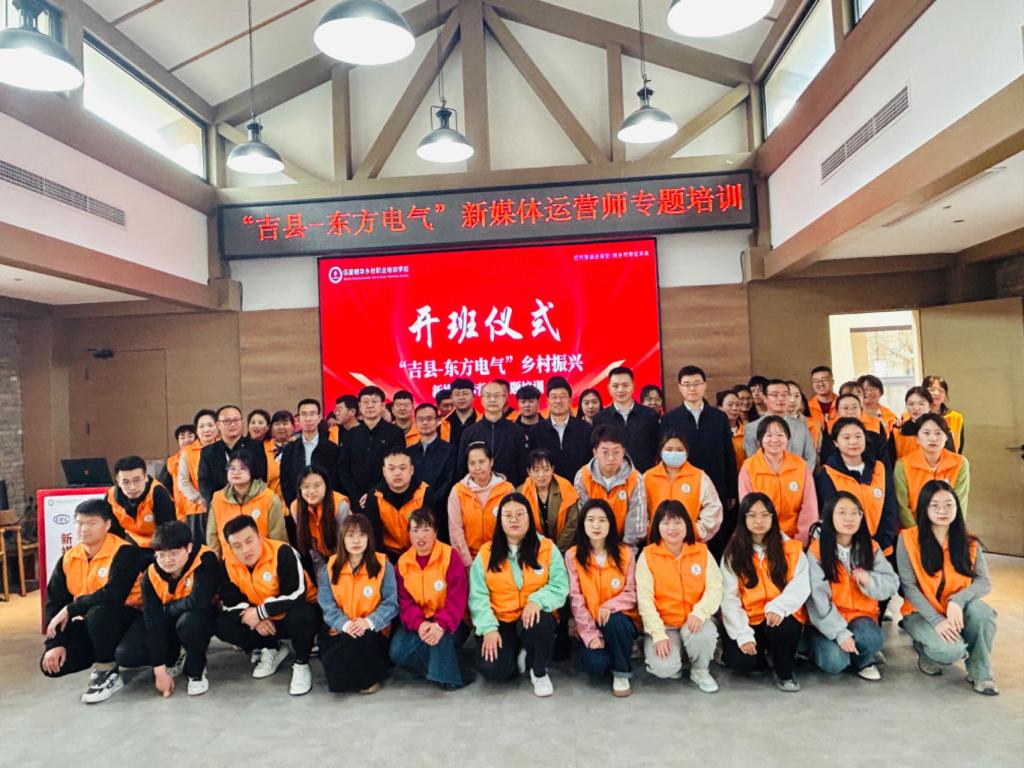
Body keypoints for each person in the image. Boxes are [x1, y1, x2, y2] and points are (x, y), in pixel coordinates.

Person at [40, 499, 145, 703]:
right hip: (94, 623)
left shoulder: (124, 552)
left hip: (130, 618)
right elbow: (54, 602)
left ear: (107, 524)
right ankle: (100, 653)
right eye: (79, 523)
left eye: (92, 523)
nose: (84, 529)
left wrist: (71, 608)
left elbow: (113, 595)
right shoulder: (69, 558)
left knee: (102, 614)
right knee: (53, 665)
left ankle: (106, 669)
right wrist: (55, 643)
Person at [898, 480, 997, 695]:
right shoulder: (908, 539)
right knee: (950, 651)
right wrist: (936, 620)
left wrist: (957, 601)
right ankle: (926, 650)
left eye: (948, 505)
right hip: (920, 613)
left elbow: (984, 582)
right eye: (934, 505)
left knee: (982, 613)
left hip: (956, 609)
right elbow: (908, 587)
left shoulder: (968, 541)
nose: (942, 511)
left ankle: (981, 673)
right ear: (924, 508)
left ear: (957, 507)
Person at [469, 493, 569, 696]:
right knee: (495, 670)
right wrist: (488, 628)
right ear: (500, 521)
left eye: (520, 514)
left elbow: (560, 585)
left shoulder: (546, 548)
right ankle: (518, 652)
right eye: (508, 515)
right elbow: (478, 595)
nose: (514, 520)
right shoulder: (487, 553)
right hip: (501, 618)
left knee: (541, 622)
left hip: (533, 616)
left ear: (529, 517)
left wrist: (537, 601)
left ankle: (538, 671)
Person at [214, 515, 320, 696]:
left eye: (249, 541)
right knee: (221, 623)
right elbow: (229, 602)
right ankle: (272, 648)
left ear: (259, 537)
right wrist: (253, 618)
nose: (245, 549)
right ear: (230, 548)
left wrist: (260, 612)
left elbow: (296, 594)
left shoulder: (282, 552)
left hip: (293, 615)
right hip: (262, 622)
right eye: (237, 546)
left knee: (302, 614)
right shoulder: (227, 563)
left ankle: (301, 664)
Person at [721, 493, 810, 692]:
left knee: (781, 629)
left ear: (773, 517)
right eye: (752, 515)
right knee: (741, 661)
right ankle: (764, 657)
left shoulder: (791, 549)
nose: (758, 521)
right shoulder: (733, 554)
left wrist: (778, 607)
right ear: (743, 518)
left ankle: (784, 671)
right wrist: (742, 633)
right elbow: (729, 599)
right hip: (750, 618)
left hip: (782, 616)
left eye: (764, 515)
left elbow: (801, 586)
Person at [806, 493, 898, 681]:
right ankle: (815, 648)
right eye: (842, 512)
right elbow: (817, 601)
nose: (849, 518)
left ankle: (862, 660)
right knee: (835, 662)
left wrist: (869, 580)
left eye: (855, 513)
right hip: (827, 622)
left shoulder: (871, 547)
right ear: (829, 516)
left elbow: (892, 583)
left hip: (861, 618)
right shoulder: (817, 551)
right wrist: (840, 632)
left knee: (873, 638)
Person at [636, 500, 722, 692]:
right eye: (666, 523)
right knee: (664, 668)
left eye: (677, 522)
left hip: (694, 621)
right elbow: (645, 600)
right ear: (657, 526)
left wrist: (700, 613)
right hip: (665, 625)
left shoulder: (702, 551)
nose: (672, 528)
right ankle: (676, 656)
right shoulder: (648, 555)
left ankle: (700, 670)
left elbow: (715, 588)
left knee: (704, 635)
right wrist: (658, 634)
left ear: (687, 525)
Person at [564, 499, 639, 696]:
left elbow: (631, 592)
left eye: (602, 520)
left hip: (620, 620)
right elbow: (576, 599)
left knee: (615, 622)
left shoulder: (626, 553)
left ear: (611, 524)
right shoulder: (573, 555)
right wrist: (590, 634)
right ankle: (617, 651)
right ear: (583, 524)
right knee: (596, 665)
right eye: (590, 520)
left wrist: (610, 606)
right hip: (590, 623)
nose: (596, 525)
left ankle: (621, 672)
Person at [390, 509, 471, 690]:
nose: (421, 536)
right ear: (409, 534)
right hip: (421, 622)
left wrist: (439, 625)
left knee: (440, 639)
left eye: (426, 530)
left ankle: (450, 678)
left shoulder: (450, 556)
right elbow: (405, 603)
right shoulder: (403, 563)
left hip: (451, 620)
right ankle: (445, 669)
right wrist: (420, 624)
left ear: (435, 532)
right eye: (415, 530)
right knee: (398, 652)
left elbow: (457, 598)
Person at [317, 513, 398, 694]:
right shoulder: (330, 567)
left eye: (362, 535)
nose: (356, 540)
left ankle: (369, 679)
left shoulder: (383, 565)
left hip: (373, 630)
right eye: (350, 535)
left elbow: (391, 603)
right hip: (340, 629)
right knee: (338, 660)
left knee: (360, 645)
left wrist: (368, 622)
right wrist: (345, 625)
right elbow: (327, 605)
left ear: (369, 538)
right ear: (342, 538)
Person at [659, 366, 737, 551]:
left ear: (704, 385)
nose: (692, 388)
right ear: (680, 387)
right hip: (683, 487)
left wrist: (731, 490)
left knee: (716, 540)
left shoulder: (719, 418)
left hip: (716, 484)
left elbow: (728, 454)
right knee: (686, 535)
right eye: (687, 384)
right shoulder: (670, 419)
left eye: (696, 384)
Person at [140, 521, 218, 697]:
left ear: (188, 548)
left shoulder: (205, 559)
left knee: (191, 621)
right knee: (129, 653)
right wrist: (159, 671)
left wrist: (166, 609)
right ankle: (174, 656)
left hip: (203, 616)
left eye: (174, 553)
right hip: (171, 621)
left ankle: (196, 671)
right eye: (161, 555)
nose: (167, 560)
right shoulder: (150, 576)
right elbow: (152, 620)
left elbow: (199, 601)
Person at [815, 418, 898, 562]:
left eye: (858, 436)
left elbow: (890, 508)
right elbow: (829, 515)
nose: (853, 442)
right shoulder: (826, 474)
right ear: (836, 442)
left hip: (882, 549)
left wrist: (881, 542)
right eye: (846, 438)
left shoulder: (879, 468)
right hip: (845, 551)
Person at [739, 417, 817, 544]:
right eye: (769, 435)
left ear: (787, 438)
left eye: (780, 435)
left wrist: (801, 540)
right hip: (761, 538)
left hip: (795, 538)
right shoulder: (749, 467)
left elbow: (809, 506)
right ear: (760, 439)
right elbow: (747, 508)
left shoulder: (800, 465)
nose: (775, 440)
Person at [643, 432, 723, 545]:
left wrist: (696, 531)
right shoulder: (648, 477)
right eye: (669, 449)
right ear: (661, 451)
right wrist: (649, 530)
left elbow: (714, 508)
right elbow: (639, 510)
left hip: (691, 545)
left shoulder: (699, 477)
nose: (674, 453)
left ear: (686, 452)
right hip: (655, 545)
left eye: (679, 450)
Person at [574, 425, 647, 547]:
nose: (611, 458)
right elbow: (580, 518)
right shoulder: (583, 476)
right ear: (595, 452)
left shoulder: (635, 478)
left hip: (625, 546)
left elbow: (637, 524)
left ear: (623, 452)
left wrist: (624, 550)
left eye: (616, 452)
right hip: (590, 545)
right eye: (605, 452)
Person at [894, 413, 970, 528]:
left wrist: (948, 532)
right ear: (917, 438)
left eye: (938, 433)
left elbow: (960, 503)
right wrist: (917, 532)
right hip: (913, 530)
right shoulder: (903, 465)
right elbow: (902, 506)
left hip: (948, 530)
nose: (933, 438)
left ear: (947, 437)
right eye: (926, 433)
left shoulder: (960, 463)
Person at [336, 385, 406, 508]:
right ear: (359, 406)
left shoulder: (395, 433)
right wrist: (355, 494)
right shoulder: (351, 435)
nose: (370, 406)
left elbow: (396, 466)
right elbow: (343, 467)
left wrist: (376, 492)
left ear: (383, 405)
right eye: (365, 402)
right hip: (357, 500)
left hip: (387, 497)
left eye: (374, 401)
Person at [207, 454, 287, 559]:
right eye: (232, 468)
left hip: (264, 560)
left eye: (242, 468)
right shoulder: (218, 499)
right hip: (230, 562)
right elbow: (212, 537)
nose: (236, 472)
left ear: (252, 470)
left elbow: (278, 537)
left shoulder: (269, 498)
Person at [448, 442, 515, 566]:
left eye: (481, 462)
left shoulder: (507, 489)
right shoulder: (458, 491)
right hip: (470, 559)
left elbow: (513, 527)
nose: (477, 467)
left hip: (502, 558)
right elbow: (456, 531)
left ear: (491, 462)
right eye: (472, 463)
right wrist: (468, 564)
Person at [457, 380, 528, 486]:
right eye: (488, 396)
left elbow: (523, 468)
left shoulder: (517, 431)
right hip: (476, 491)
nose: (492, 399)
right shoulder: (469, 432)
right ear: (482, 399)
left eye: (497, 396)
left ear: (504, 399)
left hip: (509, 490)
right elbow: (461, 468)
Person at [363, 448, 429, 561]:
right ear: (384, 472)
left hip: (418, 553)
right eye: (391, 468)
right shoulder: (375, 496)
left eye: (402, 468)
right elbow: (374, 537)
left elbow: (428, 532)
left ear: (412, 470)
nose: (397, 473)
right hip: (387, 555)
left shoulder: (424, 492)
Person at [198, 404, 268, 508]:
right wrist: (220, 500)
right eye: (227, 421)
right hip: (219, 505)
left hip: (250, 504)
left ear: (241, 422)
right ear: (218, 425)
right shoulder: (208, 451)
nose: (232, 424)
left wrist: (245, 500)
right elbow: (204, 481)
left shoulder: (255, 447)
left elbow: (260, 477)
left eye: (236, 420)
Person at [592, 366, 660, 472]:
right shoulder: (600, 418)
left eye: (625, 385)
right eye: (615, 386)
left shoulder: (650, 415)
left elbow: (657, 448)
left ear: (633, 386)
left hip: (645, 476)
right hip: (612, 477)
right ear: (608, 387)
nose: (620, 390)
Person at [529, 376, 593, 483]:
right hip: (548, 488)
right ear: (548, 401)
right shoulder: (536, 431)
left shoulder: (585, 429)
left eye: (563, 396)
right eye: (554, 397)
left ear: (570, 401)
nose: (558, 401)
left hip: (580, 487)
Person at [105, 455, 175, 549]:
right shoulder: (111, 496)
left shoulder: (157, 493)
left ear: (145, 477)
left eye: (137, 480)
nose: (132, 487)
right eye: (126, 482)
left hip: (157, 545)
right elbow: (112, 532)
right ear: (118, 482)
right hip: (130, 541)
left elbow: (167, 531)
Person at [292, 465, 350, 577]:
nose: (311, 491)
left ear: (326, 485)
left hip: (343, 555)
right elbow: (312, 550)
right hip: (319, 557)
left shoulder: (341, 506)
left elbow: (343, 546)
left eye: (317, 485)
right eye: (306, 486)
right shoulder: (296, 508)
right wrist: (321, 576)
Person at [743, 379, 817, 467]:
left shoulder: (801, 426)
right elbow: (753, 461)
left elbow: (810, 457)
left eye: (784, 395)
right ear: (765, 398)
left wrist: (801, 474)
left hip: (799, 474)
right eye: (775, 395)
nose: (781, 399)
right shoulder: (751, 428)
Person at [280, 398, 339, 508]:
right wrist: (294, 505)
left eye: (312, 414)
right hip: (298, 506)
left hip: (326, 506)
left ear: (319, 418)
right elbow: (285, 481)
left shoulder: (332, 449)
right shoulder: (290, 449)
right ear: (298, 419)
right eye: (304, 414)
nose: (308, 419)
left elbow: (335, 479)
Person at [517, 448, 579, 551]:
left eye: (546, 469)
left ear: (552, 469)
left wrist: (557, 552)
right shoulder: (521, 492)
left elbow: (572, 524)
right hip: (533, 550)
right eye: (536, 470)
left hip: (564, 549)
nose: (541, 475)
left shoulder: (566, 488)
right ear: (529, 472)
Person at [409, 403, 455, 536]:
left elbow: (450, 480)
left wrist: (430, 500)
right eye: (420, 419)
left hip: (440, 510)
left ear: (438, 420)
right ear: (415, 421)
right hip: (413, 510)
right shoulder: (409, 452)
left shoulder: (449, 450)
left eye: (429, 419)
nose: (425, 423)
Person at [819, 393, 889, 467]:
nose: (851, 412)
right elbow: (825, 467)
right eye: (845, 408)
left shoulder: (876, 438)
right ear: (837, 412)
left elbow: (886, 467)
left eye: (855, 407)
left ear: (861, 410)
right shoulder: (829, 440)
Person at [889, 386, 938, 461]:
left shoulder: (940, 430)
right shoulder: (897, 431)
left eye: (921, 404)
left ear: (930, 406)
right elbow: (890, 461)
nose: (916, 408)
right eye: (911, 404)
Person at [923, 375, 965, 453]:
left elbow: (959, 449)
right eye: (931, 390)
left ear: (945, 395)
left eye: (941, 390)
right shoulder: (913, 417)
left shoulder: (956, 417)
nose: (936, 393)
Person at [164, 424, 196, 521]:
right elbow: (165, 489)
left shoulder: (204, 457)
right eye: (182, 437)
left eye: (190, 436)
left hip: (200, 509)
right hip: (181, 513)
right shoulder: (171, 462)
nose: (186, 440)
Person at [266, 409, 295, 501]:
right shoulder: (263, 449)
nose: (281, 427)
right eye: (277, 424)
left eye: (285, 423)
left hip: (296, 503)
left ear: (293, 427)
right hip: (271, 502)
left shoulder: (300, 447)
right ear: (271, 429)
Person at [785, 381, 821, 454]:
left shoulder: (814, 423)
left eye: (796, 396)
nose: (793, 400)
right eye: (788, 395)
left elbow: (816, 452)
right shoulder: (770, 421)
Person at [716, 388, 746, 474]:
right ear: (720, 407)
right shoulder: (714, 432)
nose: (734, 408)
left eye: (738, 404)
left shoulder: (747, 431)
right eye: (730, 405)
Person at [444, 377, 479, 449]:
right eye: (457, 394)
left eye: (465, 394)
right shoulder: (442, 424)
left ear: (473, 396)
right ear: (451, 397)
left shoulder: (484, 420)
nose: (461, 398)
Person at [807, 365, 837, 433]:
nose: (820, 383)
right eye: (816, 381)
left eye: (824, 380)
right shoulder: (808, 407)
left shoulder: (842, 404)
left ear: (832, 381)